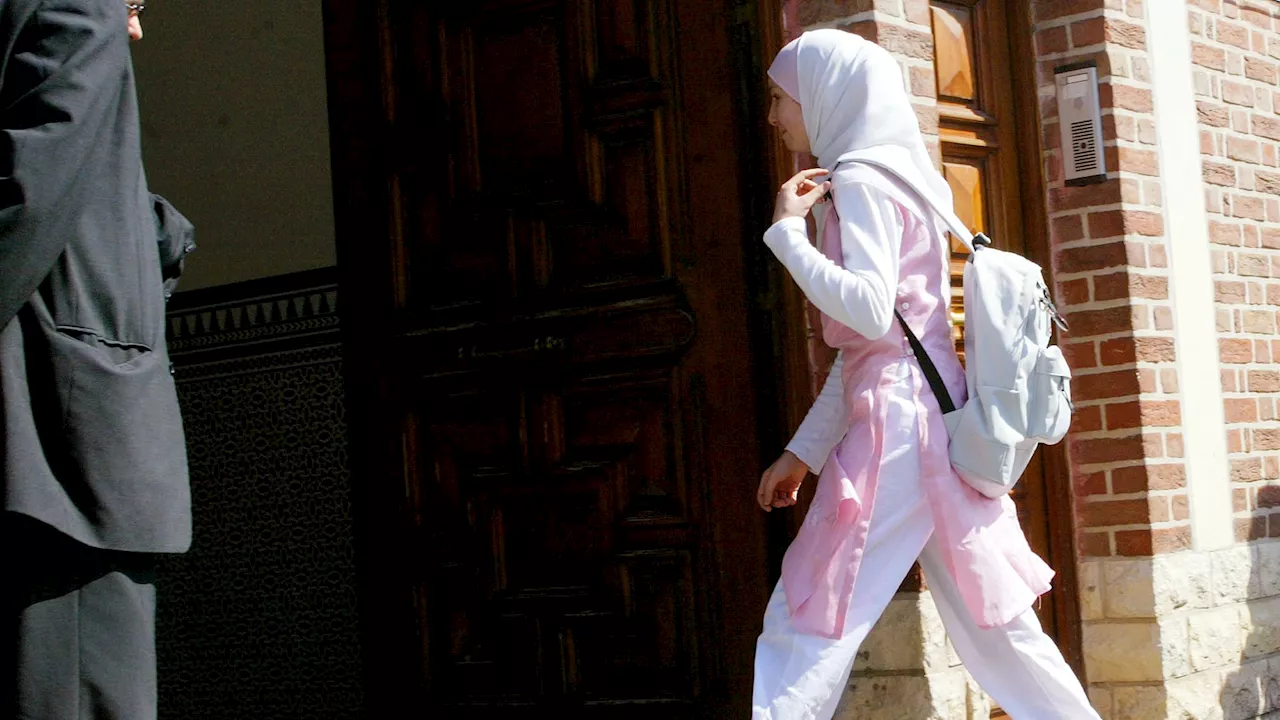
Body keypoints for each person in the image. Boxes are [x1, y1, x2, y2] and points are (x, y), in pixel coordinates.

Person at [750, 30, 1098, 719]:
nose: (774, 116)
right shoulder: (906, 175)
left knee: (810, 614)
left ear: (825, 94)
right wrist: (803, 451)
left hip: (897, 432)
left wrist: (787, 233)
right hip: (931, 418)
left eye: (780, 97)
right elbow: (876, 349)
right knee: (995, 623)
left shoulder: (860, 182)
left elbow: (872, 314)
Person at [0, 1, 195, 717]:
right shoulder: (73, 4)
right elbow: (32, 192)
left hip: (57, 464)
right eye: (135, 5)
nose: (136, 26)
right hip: (60, 453)